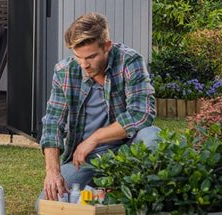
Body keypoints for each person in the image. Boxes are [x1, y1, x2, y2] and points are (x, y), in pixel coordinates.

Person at [37, 12, 160, 209]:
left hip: (128, 151)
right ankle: (102, 191)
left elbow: (141, 114)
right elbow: (52, 123)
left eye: (91, 57)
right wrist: (53, 172)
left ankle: (144, 197)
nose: (84, 65)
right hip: (85, 160)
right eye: (78, 57)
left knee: (152, 136)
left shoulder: (130, 61)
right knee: (45, 205)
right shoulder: (64, 71)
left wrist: (94, 138)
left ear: (107, 46)